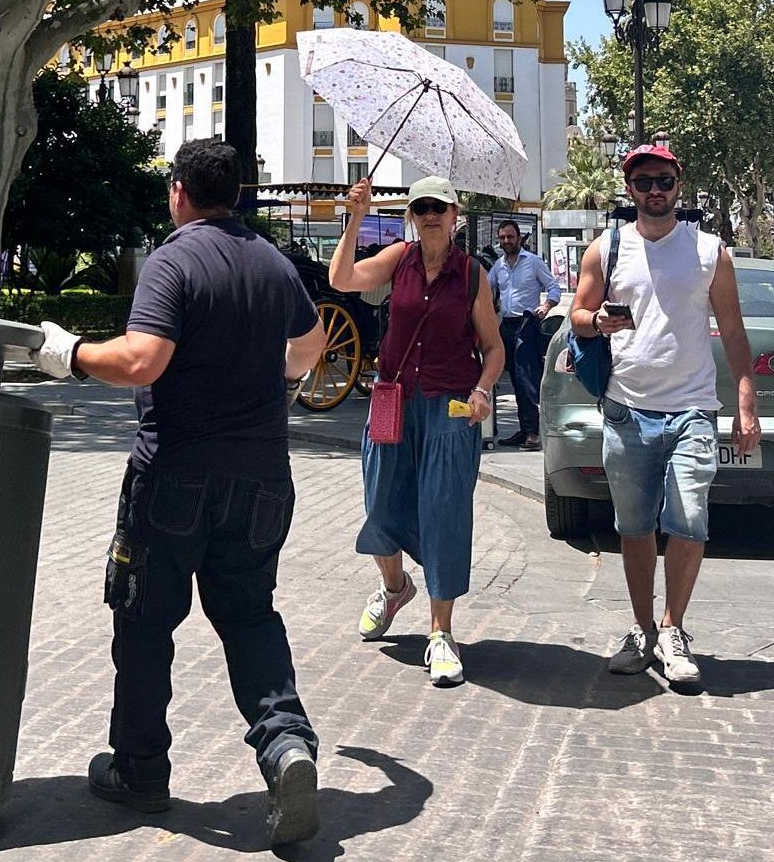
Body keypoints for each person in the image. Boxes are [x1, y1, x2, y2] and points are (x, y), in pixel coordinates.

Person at [29, 139, 329, 846]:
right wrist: (270, 380)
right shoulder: (272, 262)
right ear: (237, 192)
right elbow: (310, 348)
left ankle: (141, 770)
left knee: (143, 621)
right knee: (250, 618)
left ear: (178, 191)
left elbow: (141, 361)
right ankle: (286, 746)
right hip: (261, 478)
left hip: (175, 475)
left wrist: (68, 354)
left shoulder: (174, 259)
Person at [570, 144, 761, 689]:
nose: (656, 191)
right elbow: (577, 315)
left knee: (688, 520)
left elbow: (734, 330)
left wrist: (747, 399)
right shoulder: (606, 250)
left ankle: (674, 628)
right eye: (645, 182)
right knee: (632, 529)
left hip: (692, 410)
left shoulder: (709, 252)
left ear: (679, 185)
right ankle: (642, 629)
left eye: (665, 181)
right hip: (627, 410)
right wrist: (598, 321)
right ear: (629, 189)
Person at [329, 176, 505, 687]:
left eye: (439, 207)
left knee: (444, 514)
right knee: (380, 507)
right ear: (412, 215)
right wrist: (356, 217)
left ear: (456, 216)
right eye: (421, 206)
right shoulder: (399, 258)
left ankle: (441, 633)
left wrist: (484, 390)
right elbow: (341, 279)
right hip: (393, 402)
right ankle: (393, 587)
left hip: (449, 409)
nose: (430, 214)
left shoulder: (472, 275)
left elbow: (493, 349)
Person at [487, 220, 560, 451]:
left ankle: (533, 433)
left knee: (526, 378)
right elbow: (486, 289)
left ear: (519, 238)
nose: (506, 241)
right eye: (502, 238)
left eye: (510, 237)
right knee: (514, 380)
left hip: (527, 324)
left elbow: (554, 287)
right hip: (506, 326)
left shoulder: (533, 262)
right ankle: (524, 429)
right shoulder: (498, 266)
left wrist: (546, 306)